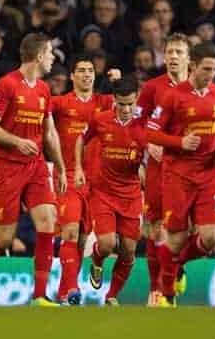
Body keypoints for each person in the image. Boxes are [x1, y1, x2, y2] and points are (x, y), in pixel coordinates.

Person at [0, 33, 67, 307]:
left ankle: (40, 295)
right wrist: (17, 141)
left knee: (48, 220)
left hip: (35, 166)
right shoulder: (6, 85)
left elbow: (50, 133)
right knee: (4, 238)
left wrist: (60, 166)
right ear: (39, 55)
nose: (53, 58)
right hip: (6, 167)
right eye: (50, 53)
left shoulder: (44, 90)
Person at [147, 41, 215, 307]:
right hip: (178, 175)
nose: (211, 75)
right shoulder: (173, 96)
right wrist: (178, 143)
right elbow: (150, 131)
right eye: (207, 69)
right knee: (176, 238)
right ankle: (168, 297)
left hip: (207, 175)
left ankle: (177, 263)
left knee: (211, 239)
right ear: (193, 65)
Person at [74, 75, 146, 306]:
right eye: (122, 104)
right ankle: (96, 260)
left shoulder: (144, 124)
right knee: (106, 244)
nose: (126, 109)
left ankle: (111, 295)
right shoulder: (100, 120)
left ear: (136, 100)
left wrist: (146, 170)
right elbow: (80, 140)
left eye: (131, 103)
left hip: (131, 194)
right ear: (114, 100)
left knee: (128, 250)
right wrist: (78, 168)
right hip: (103, 192)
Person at [51, 55, 116, 305]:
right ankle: (73, 290)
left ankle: (64, 291)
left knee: (80, 239)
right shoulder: (60, 103)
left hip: (96, 181)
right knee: (69, 232)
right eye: (81, 70)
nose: (87, 74)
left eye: (90, 70)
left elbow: (136, 102)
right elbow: (39, 113)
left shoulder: (106, 102)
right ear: (72, 76)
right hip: (68, 176)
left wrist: (119, 82)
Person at [136, 33, 190, 306]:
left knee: (185, 229)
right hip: (159, 167)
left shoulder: (199, 87)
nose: (173, 57)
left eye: (179, 52)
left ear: (188, 59)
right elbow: (137, 124)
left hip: (191, 169)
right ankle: (156, 290)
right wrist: (149, 143)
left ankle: (176, 270)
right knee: (157, 228)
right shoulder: (152, 88)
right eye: (170, 52)